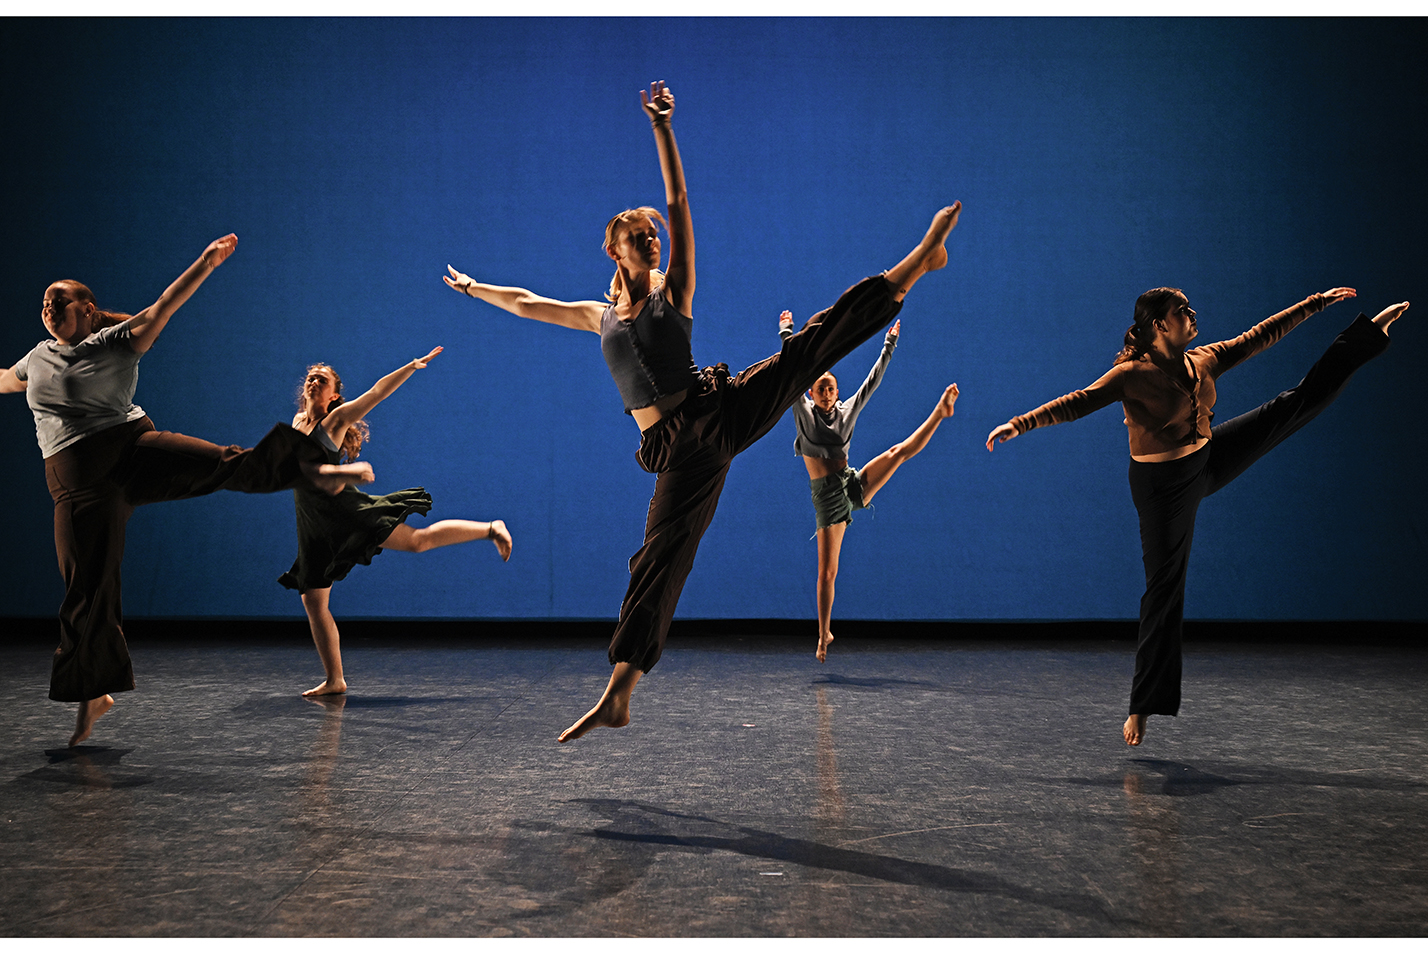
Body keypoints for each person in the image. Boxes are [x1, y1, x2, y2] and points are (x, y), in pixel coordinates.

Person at [444, 80, 962, 741]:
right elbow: (524, 301)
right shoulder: (598, 316)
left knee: (806, 350)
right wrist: (473, 288)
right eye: (639, 236)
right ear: (614, 250)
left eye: (653, 237)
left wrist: (663, 128)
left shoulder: (673, 293)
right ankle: (621, 690)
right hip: (680, 450)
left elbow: (679, 201)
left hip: (718, 412)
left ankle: (915, 264)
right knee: (659, 557)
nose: (652, 241)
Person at [986, 286, 1407, 746]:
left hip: (1207, 459)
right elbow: (1076, 402)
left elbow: (1261, 336)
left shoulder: (1203, 360)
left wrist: (1317, 302)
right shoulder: (1130, 375)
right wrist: (1020, 423)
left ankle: (1368, 336)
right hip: (1162, 490)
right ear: (1159, 326)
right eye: (1180, 310)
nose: (1191, 313)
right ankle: (1143, 705)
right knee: (1164, 589)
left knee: (1292, 405)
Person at [0, 234, 371, 746]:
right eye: (43, 303)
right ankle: (94, 695)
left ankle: (314, 469)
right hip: (78, 483)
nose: (47, 309)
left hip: (131, 450)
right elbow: (4, 379)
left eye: (58, 302)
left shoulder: (114, 341)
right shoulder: (37, 357)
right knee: (87, 589)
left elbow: (164, 307)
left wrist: (205, 263)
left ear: (86, 310)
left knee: (222, 463)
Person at [283, 350, 513, 696]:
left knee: (418, 541)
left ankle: (491, 527)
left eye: (322, 379)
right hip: (313, 521)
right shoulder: (297, 422)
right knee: (314, 602)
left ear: (334, 395)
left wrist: (411, 367)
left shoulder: (336, 420)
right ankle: (335, 679)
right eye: (311, 378)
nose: (313, 381)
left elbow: (376, 392)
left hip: (346, 513)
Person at [777, 313, 959, 661]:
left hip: (850, 484)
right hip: (828, 500)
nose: (827, 394)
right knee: (828, 572)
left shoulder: (847, 409)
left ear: (837, 391)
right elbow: (789, 371)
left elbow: (872, 382)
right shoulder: (803, 412)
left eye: (831, 388)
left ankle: (939, 413)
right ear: (811, 394)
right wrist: (787, 332)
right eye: (820, 390)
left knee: (897, 453)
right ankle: (822, 633)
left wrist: (889, 344)